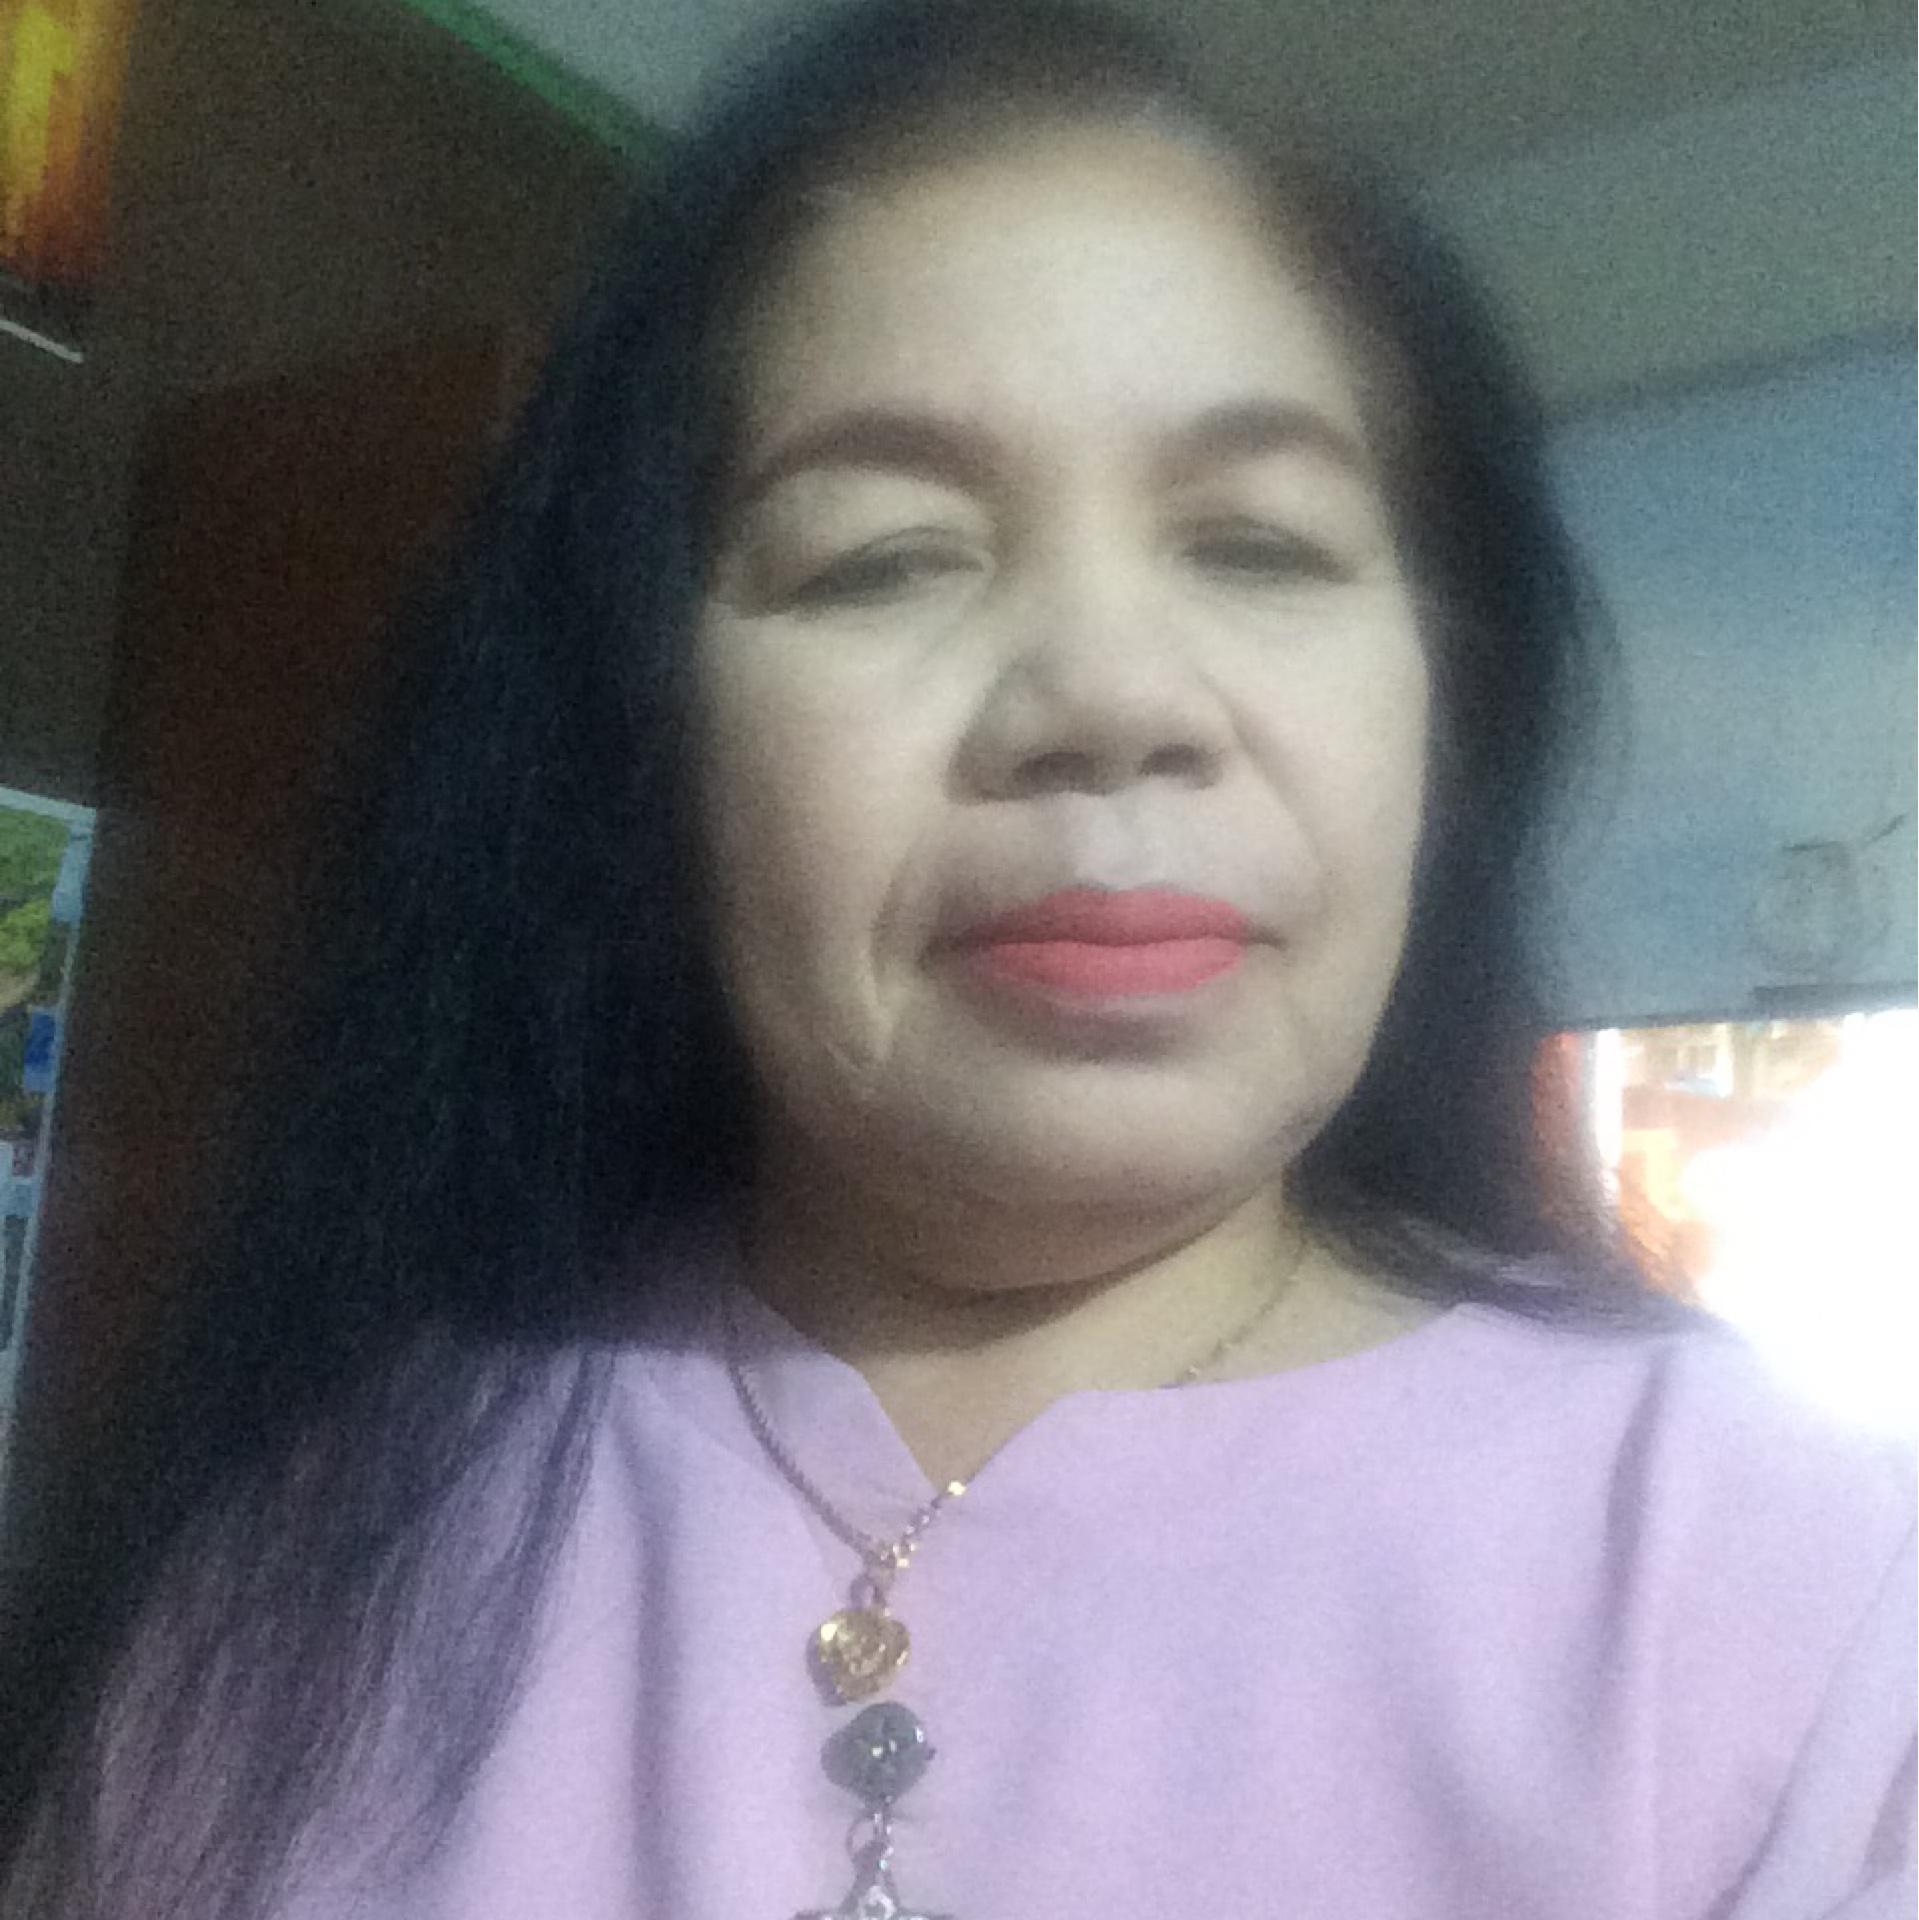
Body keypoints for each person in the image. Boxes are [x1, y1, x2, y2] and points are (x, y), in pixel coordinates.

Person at [2, 3, 1911, 1916]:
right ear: (648, 735)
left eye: (1259, 545)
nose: (1110, 698)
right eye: (884, 557)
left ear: (1445, 712)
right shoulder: (299, 1570)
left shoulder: (1803, 1613)